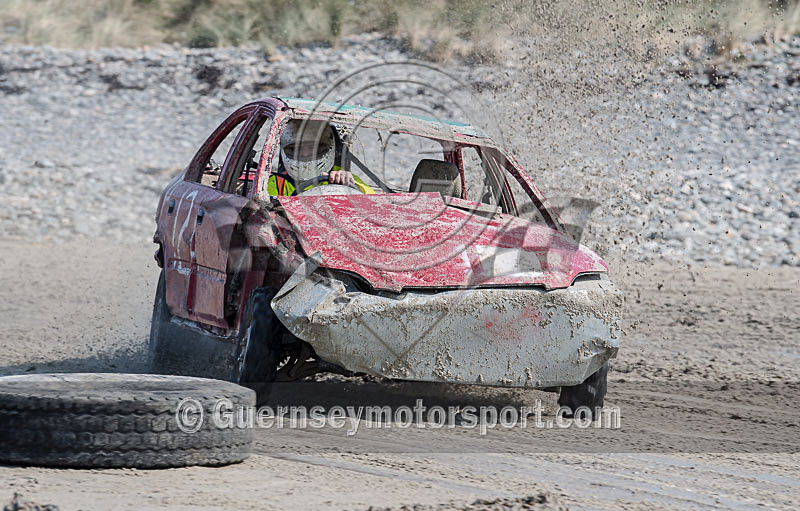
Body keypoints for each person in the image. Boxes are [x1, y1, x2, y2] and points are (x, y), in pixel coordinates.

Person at [267, 119, 375, 196]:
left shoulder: (342, 176)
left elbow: (376, 203)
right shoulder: (276, 183)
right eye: (297, 149)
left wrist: (349, 184)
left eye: (312, 148)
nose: (305, 154)